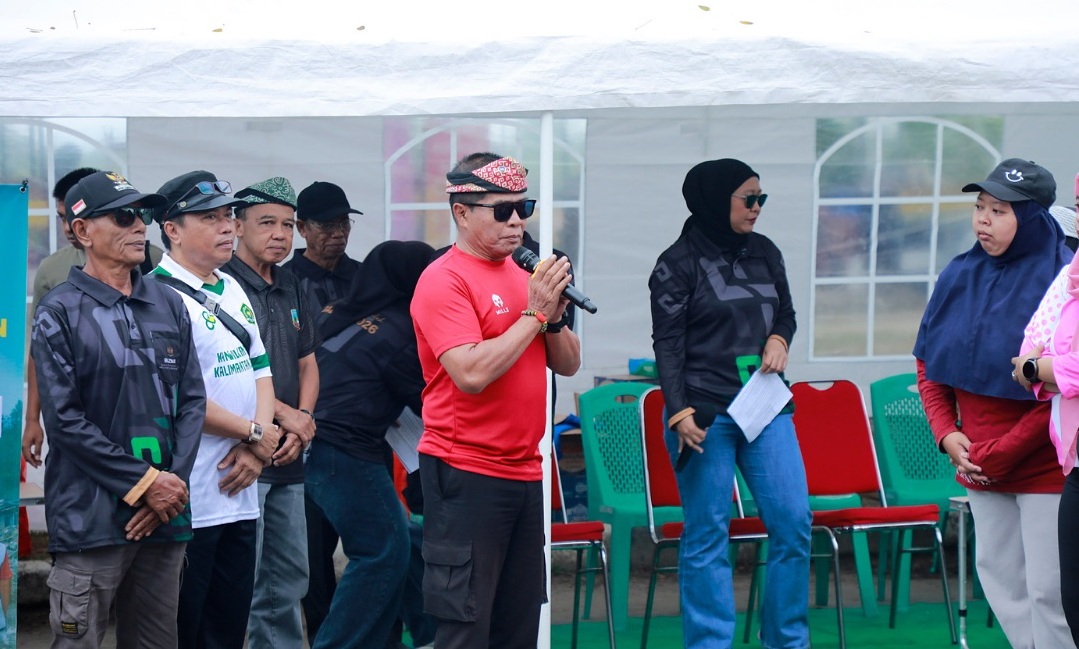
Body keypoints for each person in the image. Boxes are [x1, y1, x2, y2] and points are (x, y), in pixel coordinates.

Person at [411, 152, 581, 648]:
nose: (517, 222)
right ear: (461, 213)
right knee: (465, 626)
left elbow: (569, 364)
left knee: (518, 623)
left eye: (524, 208)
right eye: (502, 210)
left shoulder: (526, 273)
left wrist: (553, 317)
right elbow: (470, 373)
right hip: (466, 471)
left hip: (525, 470)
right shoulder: (443, 278)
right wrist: (535, 314)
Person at [30, 170, 205, 647]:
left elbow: (192, 400)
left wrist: (170, 485)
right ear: (82, 230)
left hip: (165, 518)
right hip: (90, 520)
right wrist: (147, 484)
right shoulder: (59, 311)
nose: (140, 226)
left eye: (142, 215)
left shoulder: (168, 302)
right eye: (124, 216)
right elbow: (64, 422)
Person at [648, 158, 810, 648]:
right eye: (749, 198)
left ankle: (786, 640)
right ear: (717, 201)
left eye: (762, 198)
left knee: (793, 523)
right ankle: (709, 643)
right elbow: (667, 344)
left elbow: (786, 311)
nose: (757, 207)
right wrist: (678, 410)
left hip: (765, 408)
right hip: (703, 413)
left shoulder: (765, 251)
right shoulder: (676, 264)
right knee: (707, 534)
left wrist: (780, 337)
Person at [915, 158, 1075, 649]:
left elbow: (1063, 382)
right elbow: (929, 364)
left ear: (1031, 219)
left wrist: (1004, 451)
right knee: (1003, 588)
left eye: (999, 211)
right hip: (977, 460)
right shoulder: (959, 273)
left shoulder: (1064, 279)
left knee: (1051, 593)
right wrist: (946, 434)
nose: (983, 220)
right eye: (979, 207)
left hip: (1045, 465)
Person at [150, 170, 282, 649]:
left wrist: (257, 446)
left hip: (240, 489)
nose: (228, 226)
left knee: (229, 625)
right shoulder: (156, 296)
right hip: (192, 497)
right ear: (172, 229)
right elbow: (179, 397)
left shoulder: (231, 286)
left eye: (228, 215)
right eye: (210, 218)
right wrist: (254, 433)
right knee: (186, 626)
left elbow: (260, 369)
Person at [306, 240, 434, 649]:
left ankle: (419, 637)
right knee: (384, 550)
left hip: (310, 442)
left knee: (400, 544)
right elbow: (431, 402)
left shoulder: (336, 311)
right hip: (342, 448)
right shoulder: (402, 329)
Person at [222, 178, 319, 649]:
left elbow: (308, 363)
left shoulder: (291, 283)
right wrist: (286, 418)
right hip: (242, 451)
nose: (280, 234)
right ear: (238, 226)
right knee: (243, 577)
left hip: (289, 455)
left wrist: (302, 421)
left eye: (287, 224)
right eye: (267, 223)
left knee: (290, 577)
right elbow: (230, 372)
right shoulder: (221, 285)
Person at [24, 167, 166, 467]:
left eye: (140, 216)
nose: (67, 228)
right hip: (87, 433)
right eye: (62, 218)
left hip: (150, 426)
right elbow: (40, 354)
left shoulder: (152, 260)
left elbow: (190, 388)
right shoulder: (52, 273)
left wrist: (176, 469)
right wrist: (32, 419)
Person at [283, 180, 363, 641]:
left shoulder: (365, 276)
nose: (338, 233)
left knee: (373, 544)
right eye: (326, 225)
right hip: (306, 426)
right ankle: (322, 637)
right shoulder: (285, 281)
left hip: (361, 426)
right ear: (302, 228)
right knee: (313, 552)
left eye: (344, 223)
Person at [1011, 169, 1079, 644]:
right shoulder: (1071, 275)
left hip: (1043, 461)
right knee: (1072, 600)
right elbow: (1026, 353)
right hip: (1076, 461)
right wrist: (1041, 368)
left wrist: (1043, 368)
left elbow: (1040, 364)